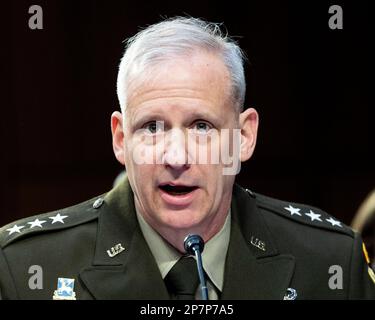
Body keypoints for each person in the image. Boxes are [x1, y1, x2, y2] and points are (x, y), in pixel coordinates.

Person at [0, 17, 374, 300]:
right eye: (151, 127)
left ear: (244, 137)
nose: (176, 156)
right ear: (120, 139)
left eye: (201, 127)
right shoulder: (23, 269)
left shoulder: (331, 262)